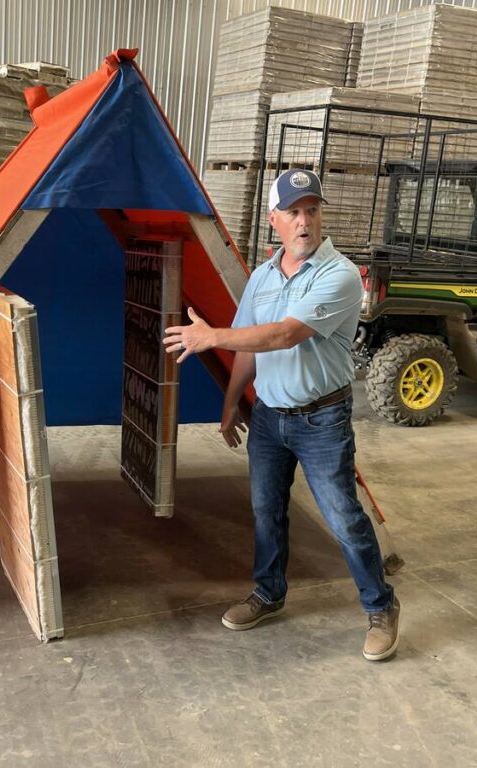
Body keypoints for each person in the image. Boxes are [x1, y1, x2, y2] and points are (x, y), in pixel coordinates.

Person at [163, 168, 400, 661]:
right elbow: (249, 348)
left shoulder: (339, 275)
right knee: (267, 511)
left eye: (311, 210)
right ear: (274, 220)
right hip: (270, 419)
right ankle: (269, 593)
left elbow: (284, 335)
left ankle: (380, 605)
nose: (304, 221)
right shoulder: (262, 277)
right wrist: (231, 404)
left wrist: (211, 336)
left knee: (343, 517)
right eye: (292, 212)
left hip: (322, 420)